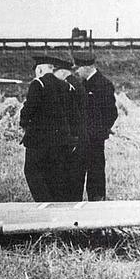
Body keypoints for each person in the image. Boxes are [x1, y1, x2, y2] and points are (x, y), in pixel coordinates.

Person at [20, 55, 74, 202]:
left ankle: (43, 204)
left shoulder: (38, 84)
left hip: (38, 141)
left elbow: (28, 110)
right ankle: (53, 205)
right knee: (54, 175)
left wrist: (24, 123)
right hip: (60, 140)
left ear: (40, 69)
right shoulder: (65, 85)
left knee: (33, 172)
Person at [72, 52, 118, 201]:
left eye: (78, 68)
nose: (76, 71)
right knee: (77, 174)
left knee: (96, 175)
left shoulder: (104, 84)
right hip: (81, 139)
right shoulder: (82, 85)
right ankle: (74, 207)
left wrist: (100, 131)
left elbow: (112, 113)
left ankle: (97, 207)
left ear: (86, 67)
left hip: (95, 140)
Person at [53, 60, 86, 201]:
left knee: (71, 176)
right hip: (78, 135)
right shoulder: (76, 83)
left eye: (54, 74)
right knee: (74, 176)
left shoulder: (70, 86)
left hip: (74, 136)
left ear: (61, 72)